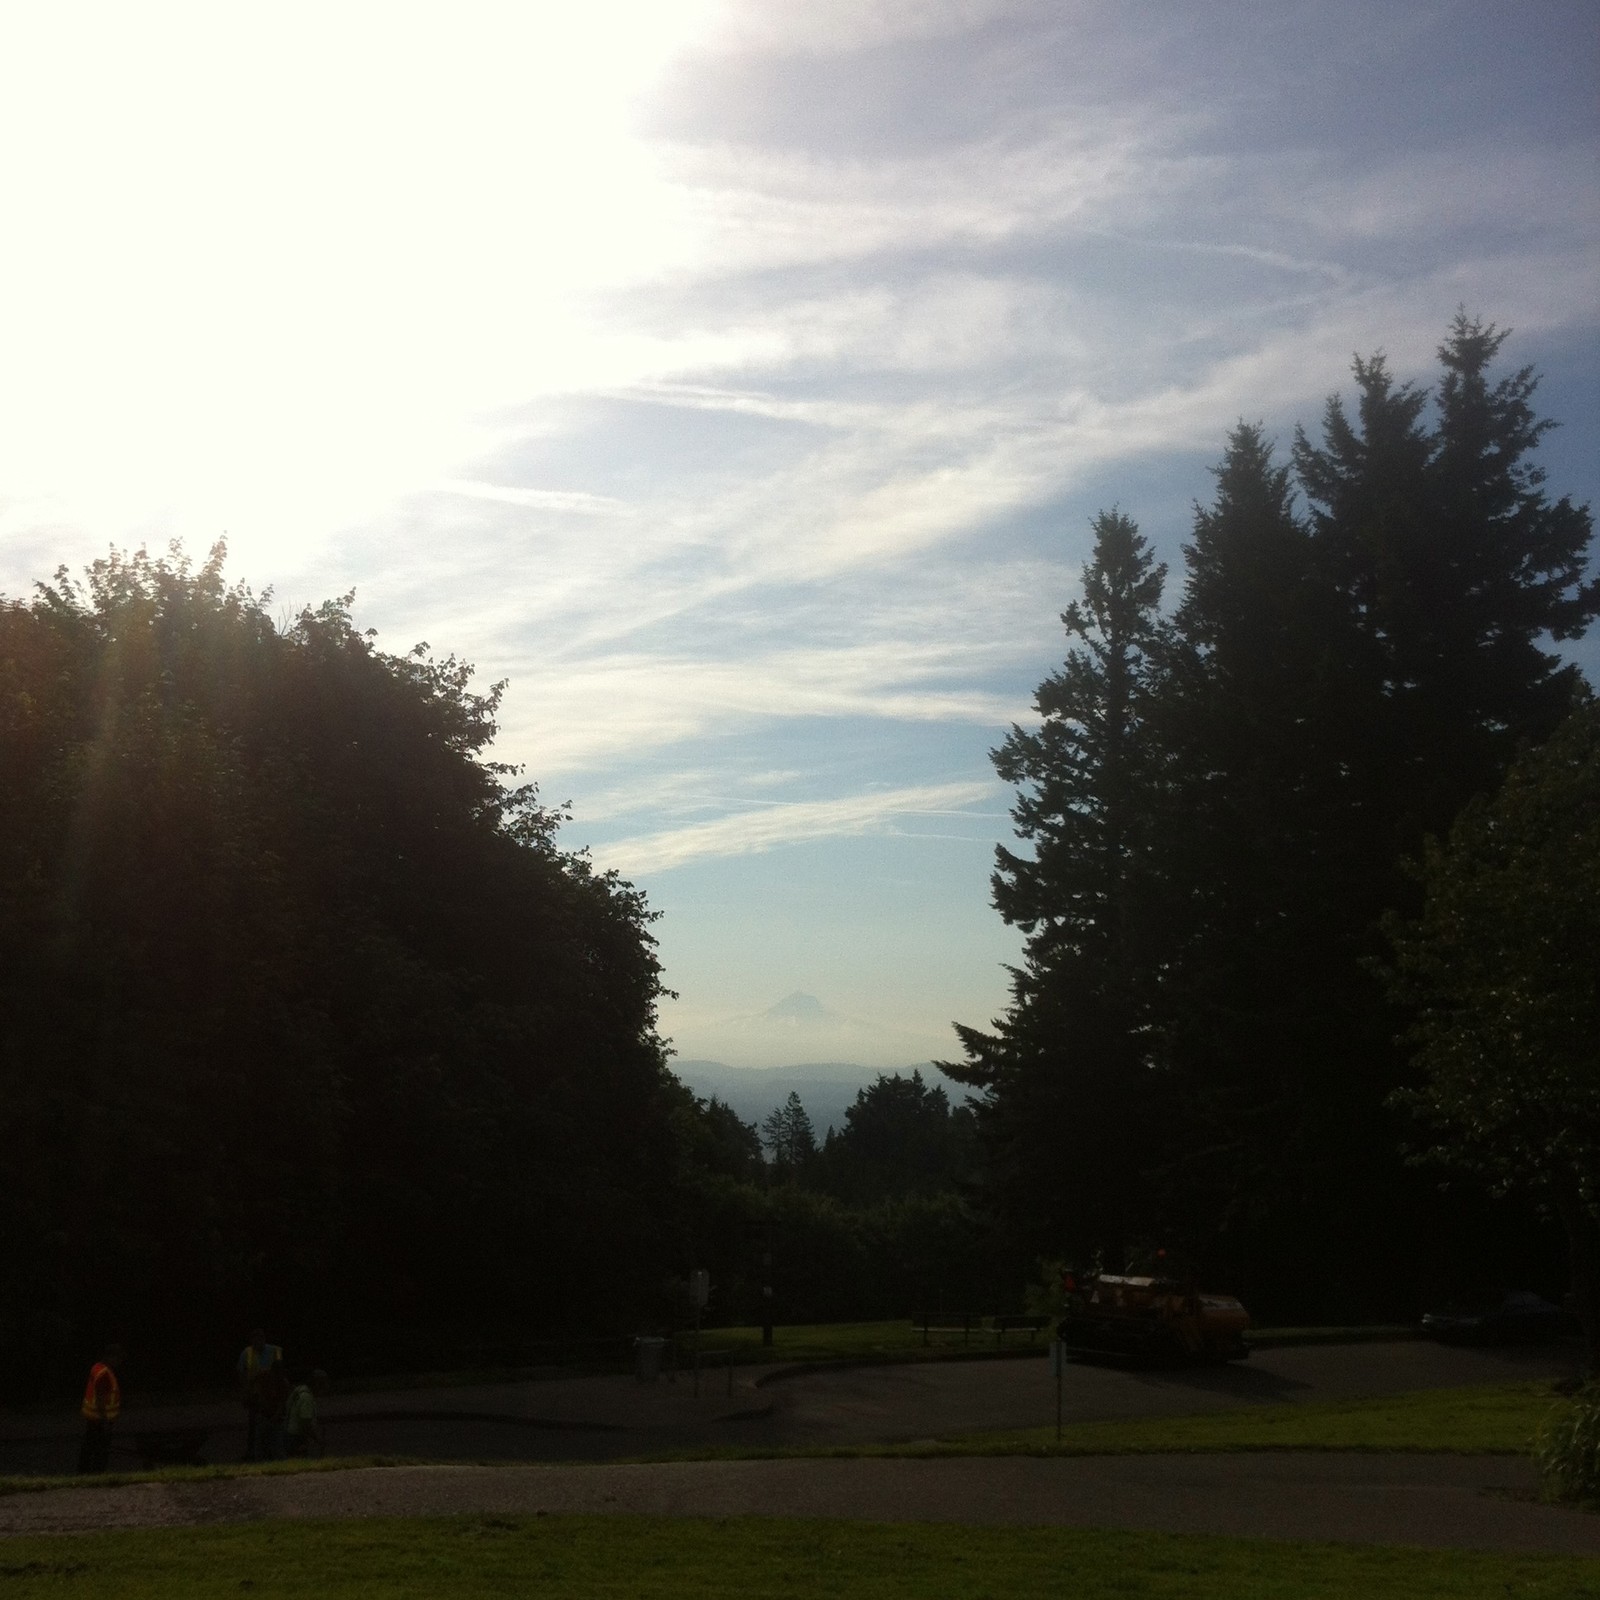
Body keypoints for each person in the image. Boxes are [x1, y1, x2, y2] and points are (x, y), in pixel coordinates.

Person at [236, 1328, 284, 1462]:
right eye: (255, 1339)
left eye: (261, 1338)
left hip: (271, 1392)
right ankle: (255, 1453)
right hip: (255, 1394)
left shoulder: (274, 1351)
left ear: (264, 1339)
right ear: (252, 1341)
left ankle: (268, 1453)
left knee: (272, 1424)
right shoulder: (247, 1353)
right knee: (255, 1425)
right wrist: (245, 1392)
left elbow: (280, 1370)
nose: (258, 1342)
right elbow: (241, 1374)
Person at [78, 1344, 123, 1474]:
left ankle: (84, 1472)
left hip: (92, 1417)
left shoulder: (97, 1368)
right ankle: (97, 1473)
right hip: (100, 1418)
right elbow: (101, 1398)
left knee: (89, 1446)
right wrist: (105, 1419)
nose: (119, 1363)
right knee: (101, 1449)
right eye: (118, 1359)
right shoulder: (104, 1373)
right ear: (111, 1357)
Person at [284, 1369, 329, 1458]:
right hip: (297, 1436)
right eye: (322, 1384)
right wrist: (318, 1440)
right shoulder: (306, 1398)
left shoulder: (299, 1391)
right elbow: (305, 1424)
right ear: (316, 1384)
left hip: (289, 1433)